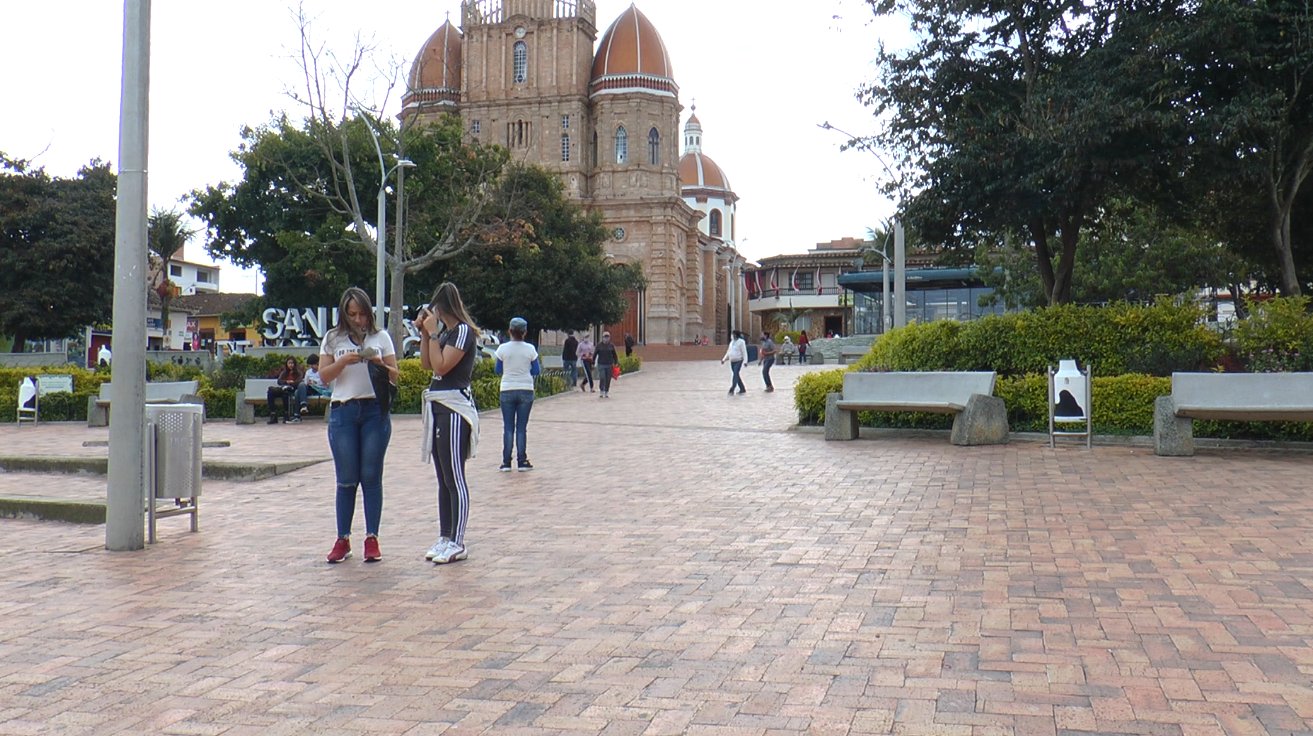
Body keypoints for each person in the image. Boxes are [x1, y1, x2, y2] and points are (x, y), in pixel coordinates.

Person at [317, 287, 398, 564]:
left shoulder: (381, 336)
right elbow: (324, 376)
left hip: (374, 410)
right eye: (352, 314)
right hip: (344, 411)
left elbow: (396, 377)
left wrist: (377, 363)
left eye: (362, 314)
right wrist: (342, 362)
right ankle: (342, 538)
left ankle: (372, 537)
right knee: (347, 478)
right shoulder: (332, 338)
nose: (358, 319)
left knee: (371, 476)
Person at [417, 282, 480, 565]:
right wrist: (425, 334)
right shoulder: (445, 334)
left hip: (455, 409)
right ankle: (445, 535)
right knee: (443, 478)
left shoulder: (463, 332)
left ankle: (458, 540)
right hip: (439, 407)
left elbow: (443, 366)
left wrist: (432, 333)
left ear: (442, 308)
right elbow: (427, 365)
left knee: (455, 476)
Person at [494, 316, 540, 471]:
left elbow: (498, 370)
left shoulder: (502, 349)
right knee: (521, 427)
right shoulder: (530, 349)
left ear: (510, 331)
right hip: (526, 388)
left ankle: (506, 462)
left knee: (508, 427)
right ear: (525, 332)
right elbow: (536, 370)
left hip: (507, 388)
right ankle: (522, 461)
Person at [266, 356, 302, 424]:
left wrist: (292, 382)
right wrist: (286, 382)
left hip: (292, 390)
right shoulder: (284, 372)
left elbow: (299, 382)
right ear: (287, 364)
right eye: (289, 363)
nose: (291, 365)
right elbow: (279, 381)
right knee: (270, 392)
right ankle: (273, 415)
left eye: (292, 363)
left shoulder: (298, 373)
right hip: (283, 388)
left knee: (285, 394)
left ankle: (286, 415)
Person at [720, 330, 748, 395]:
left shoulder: (741, 342)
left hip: (738, 360)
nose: (732, 335)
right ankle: (742, 388)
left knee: (735, 373)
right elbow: (728, 352)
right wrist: (724, 359)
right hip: (732, 361)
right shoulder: (732, 342)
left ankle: (733, 388)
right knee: (736, 375)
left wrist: (745, 361)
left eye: (733, 334)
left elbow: (744, 352)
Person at [595, 331, 619, 398]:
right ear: (602, 338)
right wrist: (593, 362)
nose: (606, 338)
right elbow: (595, 354)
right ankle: (601, 390)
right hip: (601, 364)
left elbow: (615, 355)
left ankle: (606, 391)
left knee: (608, 379)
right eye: (605, 337)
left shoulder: (611, 346)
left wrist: (616, 362)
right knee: (602, 377)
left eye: (607, 337)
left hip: (609, 364)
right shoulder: (599, 345)